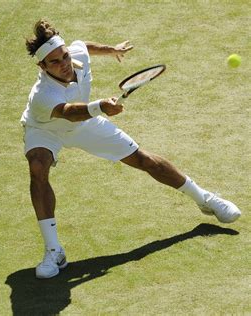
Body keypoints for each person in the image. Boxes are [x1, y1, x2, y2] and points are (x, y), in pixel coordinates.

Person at [20, 19, 241, 279]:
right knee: (37, 166)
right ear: (42, 66)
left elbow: (84, 46)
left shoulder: (75, 53)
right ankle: (53, 250)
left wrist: (111, 49)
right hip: (45, 129)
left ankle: (206, 199)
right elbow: (68, 113)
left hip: (86, 123)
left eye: (65, 56)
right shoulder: (42, 95)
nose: (64, 63)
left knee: (143, 159)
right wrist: (100, 107)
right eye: (55, 62)